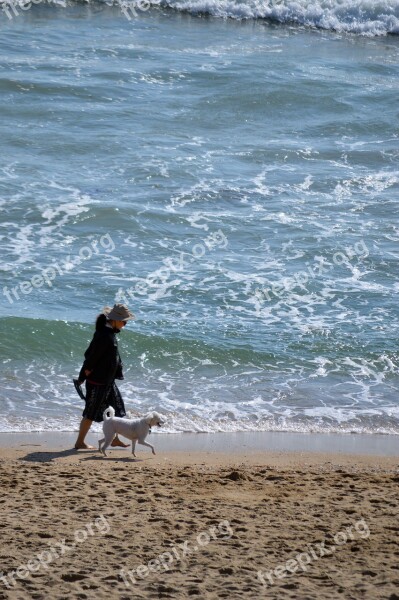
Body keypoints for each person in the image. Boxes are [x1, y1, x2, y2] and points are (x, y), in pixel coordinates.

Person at [74, 303, 135, 450]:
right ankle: (79, 442)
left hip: (107, 381)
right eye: (124, 321)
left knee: (116, 410)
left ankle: (114, 439)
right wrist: (84, 374)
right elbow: (91, 356)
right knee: (90, 412)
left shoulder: (109, 333)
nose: (125, 324)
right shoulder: (104, 335)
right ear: (114, 320)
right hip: (98, 381)